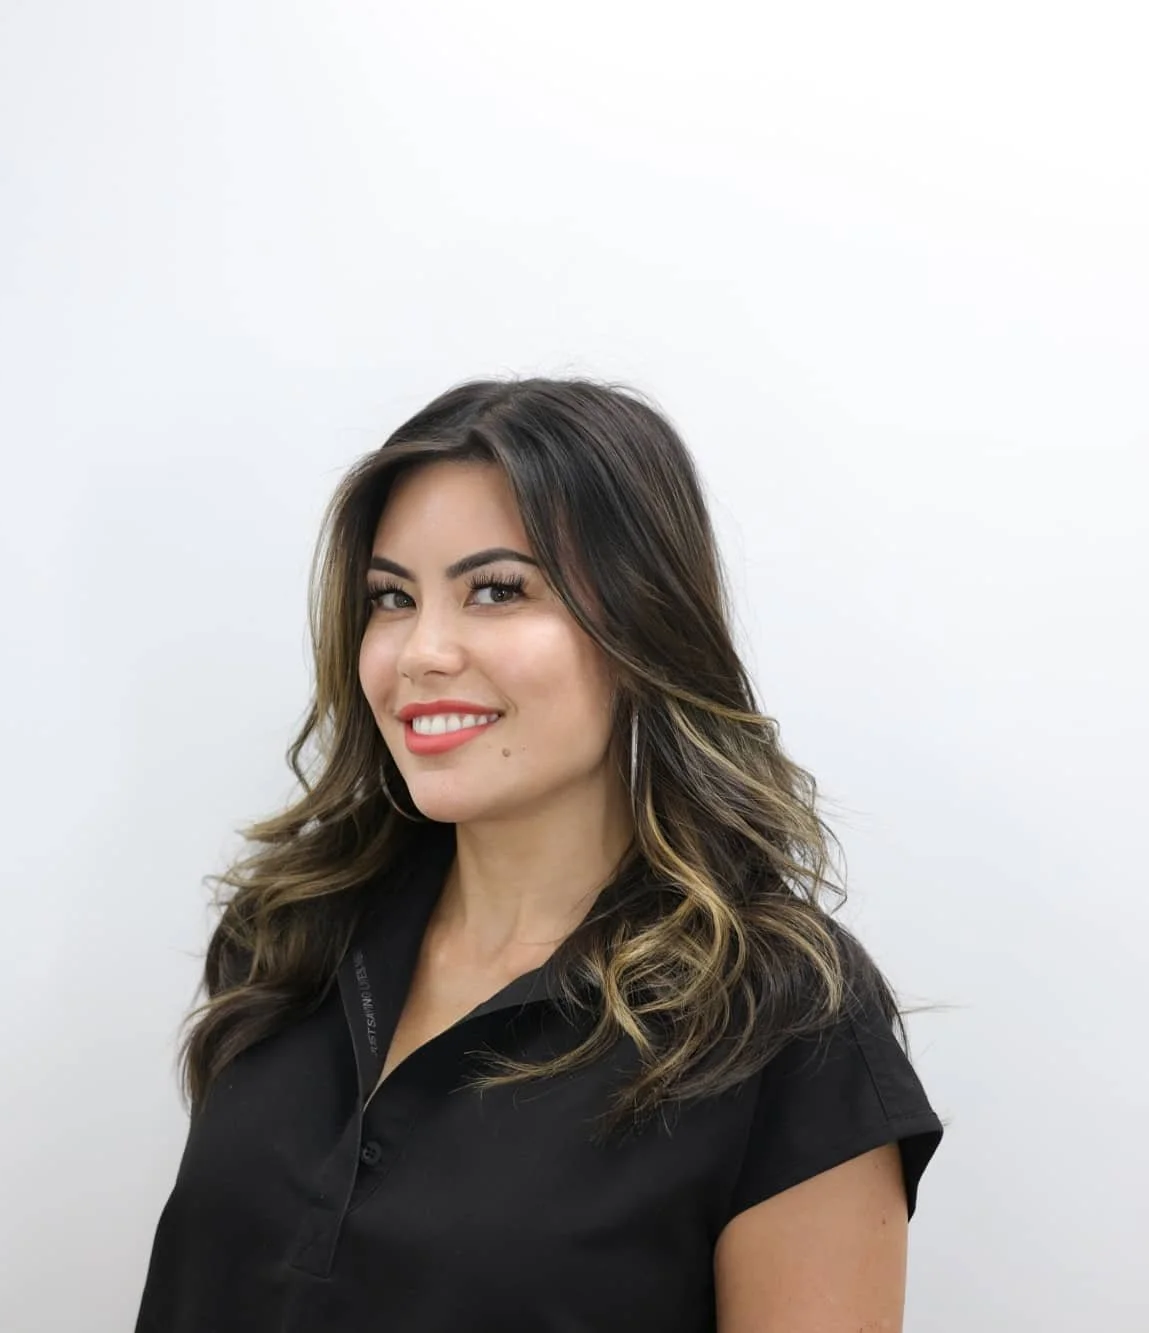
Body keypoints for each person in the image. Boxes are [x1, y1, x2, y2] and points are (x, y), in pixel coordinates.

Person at [134, 378, 944, 1332]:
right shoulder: (291, 935)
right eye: (392, 597)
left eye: (496, 589)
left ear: (639, 626)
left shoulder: (781, 1018)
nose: (422, 651)